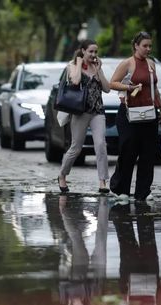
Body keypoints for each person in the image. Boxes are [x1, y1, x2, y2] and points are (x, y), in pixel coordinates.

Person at [109, 32, 161, 201]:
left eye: (150, 46)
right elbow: (113, 83)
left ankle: (143, 191)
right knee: (128, 151)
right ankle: (121, 189)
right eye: (145, 46)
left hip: (149, 113)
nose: (148, 49)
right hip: (129, 114)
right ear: (136, 46)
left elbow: (154, 88)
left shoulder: (151, 64)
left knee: (148, 153)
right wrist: (129, 87)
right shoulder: (127, 63)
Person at [57, 40, 111, 194]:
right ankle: (62, 175)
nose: (94, 55)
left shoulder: (97, 67)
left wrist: (99, 70)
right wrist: (80, 64)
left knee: (101, 145)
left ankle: (102, 181)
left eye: (96, 52)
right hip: (80, 112)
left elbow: (107, 89)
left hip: (97, 111)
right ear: (83, 51)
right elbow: (75, 81)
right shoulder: (72, 65)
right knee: (76, 148)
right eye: (91, 52)